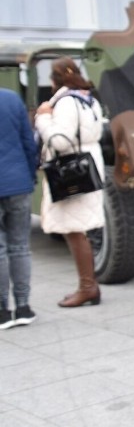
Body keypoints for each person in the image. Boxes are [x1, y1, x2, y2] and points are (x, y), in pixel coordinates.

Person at [34, 58, 105, 308]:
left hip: (71, 172)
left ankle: (88, 287)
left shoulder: (64, 102)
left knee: (75, 232)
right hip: (87, 167)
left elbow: (61, 141)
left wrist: (42, 118)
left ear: (54, 80)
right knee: (79, 230)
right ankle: (87, 285)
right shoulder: (89, 99)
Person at [0, 89, 39, 329]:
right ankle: (23, 306)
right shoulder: (12, 98)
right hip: (18, 182)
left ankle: (3, 310)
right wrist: (30, 174)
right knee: (20, 247)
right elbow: (28, 141)